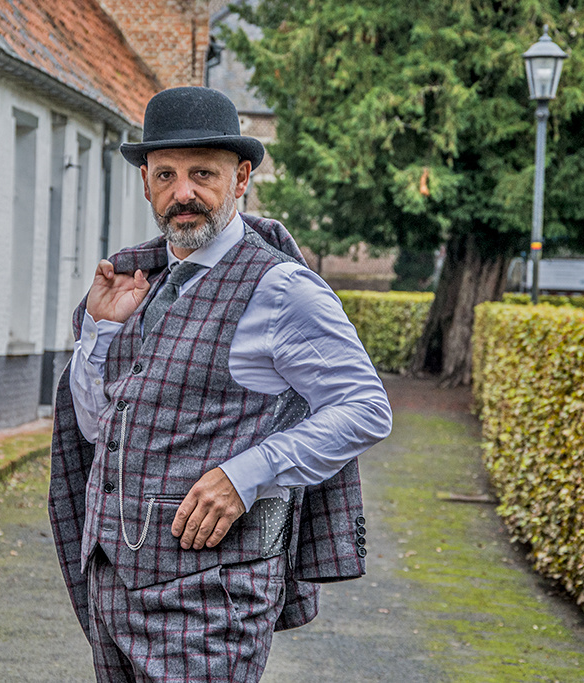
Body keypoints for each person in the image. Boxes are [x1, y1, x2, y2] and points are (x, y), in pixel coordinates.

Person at [48, 86, 392, 682]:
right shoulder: (140, 282)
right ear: (148, 184)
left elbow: (365, 407)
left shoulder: (282, 290)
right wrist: (99, 334)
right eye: (166, 175)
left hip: (212, 598)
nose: (183, 193)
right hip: (110, 587)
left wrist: (245, 473)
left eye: (202, 173)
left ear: (241, 179)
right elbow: (94, 426)